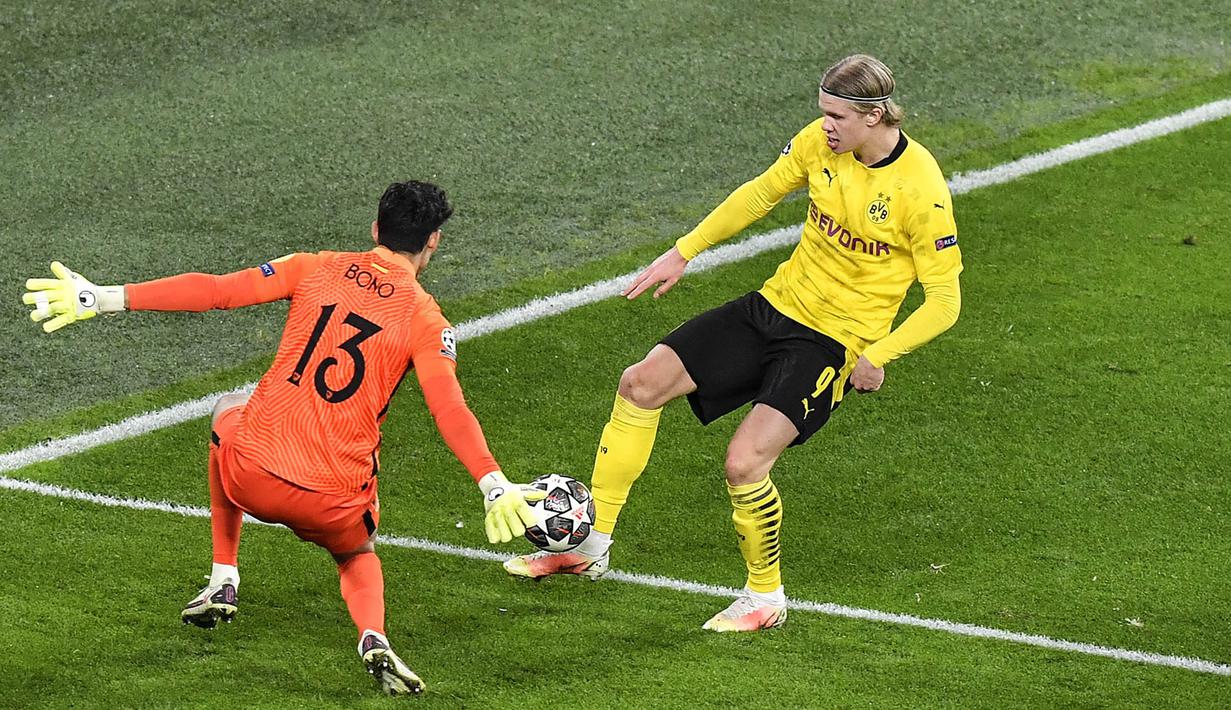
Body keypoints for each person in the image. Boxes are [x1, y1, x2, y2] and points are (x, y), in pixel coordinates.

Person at [22, 181, 544, 694]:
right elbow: (448, 406)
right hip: (333, 502)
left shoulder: (313, 266)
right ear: (433, 242)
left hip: (249, 475)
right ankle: (373, 635)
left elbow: (217, 291)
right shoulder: (427, 319)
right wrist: (493, 483)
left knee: (228, 410)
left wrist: (103, 297)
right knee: (358, 553)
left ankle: (223, 575)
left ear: (374, 228)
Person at [503, 54, 964, 632]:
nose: (824, 126)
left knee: (745, 462)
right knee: (640, 383)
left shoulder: (920, 190)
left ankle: (765, 598)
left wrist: (877, 356)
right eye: (821, 113)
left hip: (834, 344)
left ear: (873, 116)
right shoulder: (822, 145)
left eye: (836, 117)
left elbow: (946, 302)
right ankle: (589, 546)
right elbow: (757, 195)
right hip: (772, 308)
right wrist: (684, 250)